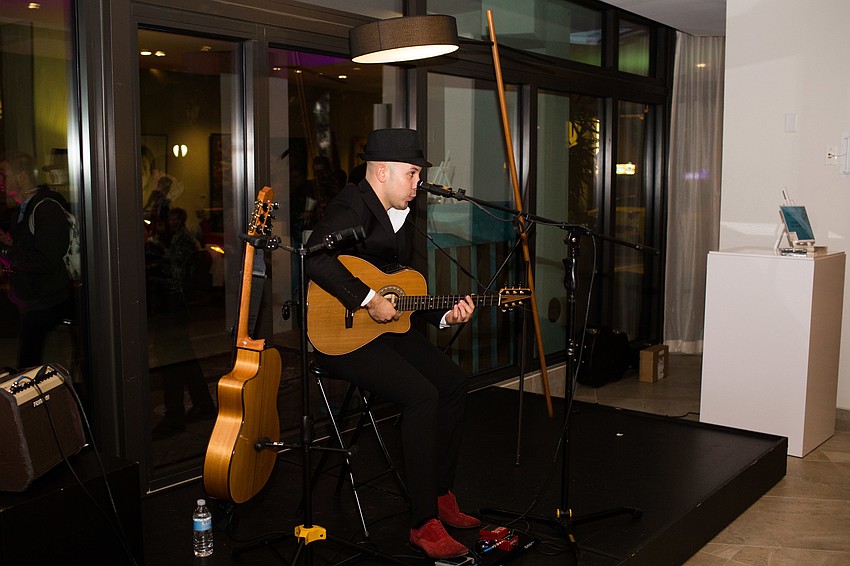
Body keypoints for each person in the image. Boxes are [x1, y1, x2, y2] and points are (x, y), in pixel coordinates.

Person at [304, 128, 479, 559]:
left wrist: (441, 314)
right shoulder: (351, 204)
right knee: (421, 395)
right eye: (413, 174)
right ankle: (422, 524)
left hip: (385, 329)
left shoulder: (402, 211)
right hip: (341, 335)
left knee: (453, 383)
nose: (418, 183)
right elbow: (315, 256)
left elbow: (402, 288)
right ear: (382, 171)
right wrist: (366, 300)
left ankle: (439, 494)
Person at [0, 152, 72, 369]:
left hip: (46, 303)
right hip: (32, 303)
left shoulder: (46, 208)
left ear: (21, 177)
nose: (1, 182)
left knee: (32, 370)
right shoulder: (21, 211)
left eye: (4, 175)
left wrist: (6, 251)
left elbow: (45, 259)